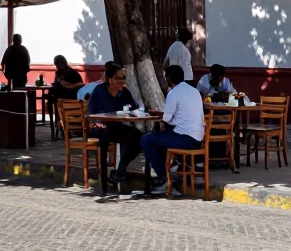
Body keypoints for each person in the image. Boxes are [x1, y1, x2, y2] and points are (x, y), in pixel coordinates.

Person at [142, 65, 206, 194]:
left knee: (146, 139)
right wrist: (164, 115)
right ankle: (170, 168)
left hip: (185, 139)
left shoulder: (173, 93)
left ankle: (163, 177)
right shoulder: (194, 91)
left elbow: (167, 118)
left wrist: (159, 114)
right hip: (198, 139)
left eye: (166, 77)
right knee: (160, 137)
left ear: (169, 78)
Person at [87, 61, 142, 193]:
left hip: (116, 126)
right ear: (110, 79)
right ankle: (105, 183)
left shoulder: (124, 92)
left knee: (140, 138)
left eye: (123, 78)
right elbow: (92, 112)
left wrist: (132, 110)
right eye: (118, 78)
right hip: (99, 127)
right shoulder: (100, 91)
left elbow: (134, 109)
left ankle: (120, 169)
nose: (121, 81)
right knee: (108, 137)